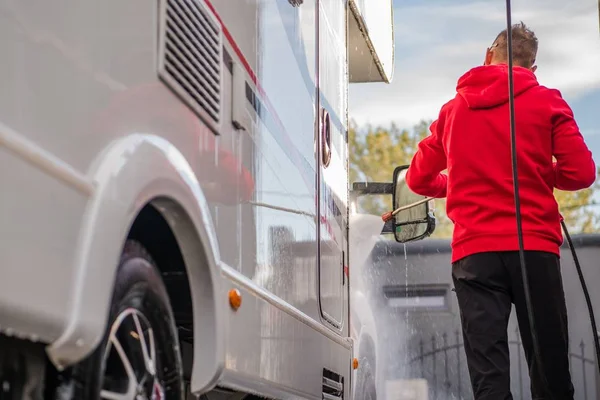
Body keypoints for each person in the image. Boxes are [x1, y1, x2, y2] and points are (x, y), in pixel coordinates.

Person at [405, 22, 596, 400]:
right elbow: (581, 173)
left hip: (475, 256)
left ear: (488, 56)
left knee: (488, 376)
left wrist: (453, 184)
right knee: (550, 370)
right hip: (535, 251)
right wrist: (539, 171)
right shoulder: (548, 101)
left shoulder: (452, 111)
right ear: (532, 69)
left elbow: (418, 179)